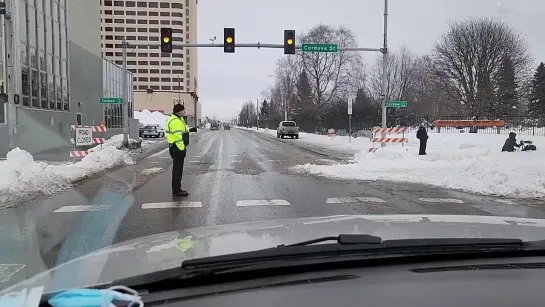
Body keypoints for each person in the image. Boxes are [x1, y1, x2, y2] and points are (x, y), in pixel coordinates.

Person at [166, 104, 197, 196]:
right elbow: (177, 137)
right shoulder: (175, 121)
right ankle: (176, 190)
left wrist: (190, 130)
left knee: (178, 169)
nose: (184, 112)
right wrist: (182, 149)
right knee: (177, 170)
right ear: (178, 112)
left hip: (176, 147)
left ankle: (177, 189)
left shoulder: (179, 120)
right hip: (177, 148)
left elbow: (183, 130)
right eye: (183, 110)